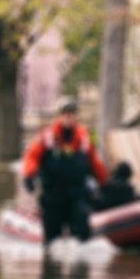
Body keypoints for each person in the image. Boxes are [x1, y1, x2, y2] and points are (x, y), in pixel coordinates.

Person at [21, 99, 109, 245]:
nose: (68, 117)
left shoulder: (83, 138)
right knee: (52, 239)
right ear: (59, 116)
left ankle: (81, 264)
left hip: (77, 194)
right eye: (65, 113)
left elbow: (95, 162)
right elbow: (31, 156)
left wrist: (104, 183)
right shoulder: (47, 137)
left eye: (71, 113)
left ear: (76, 116)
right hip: (53, 194)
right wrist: (29, 175)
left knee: (82, 233)